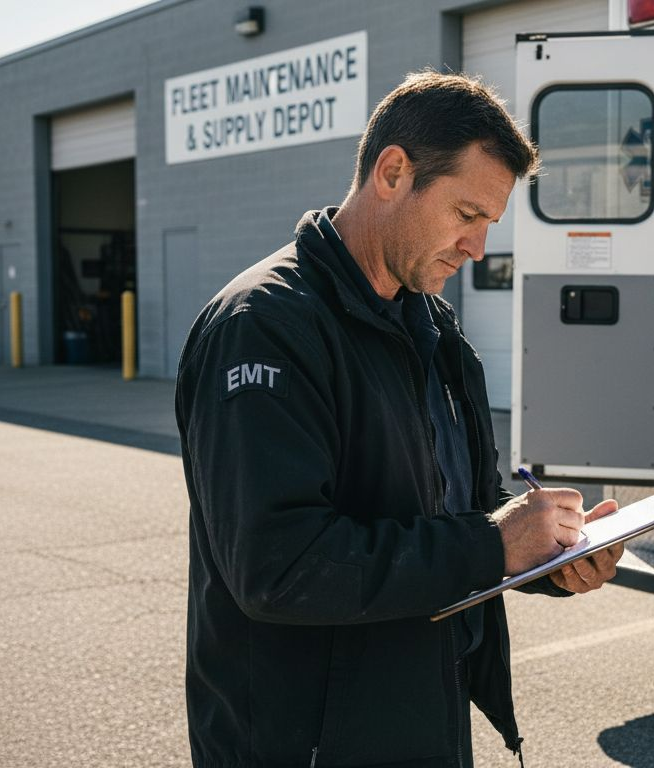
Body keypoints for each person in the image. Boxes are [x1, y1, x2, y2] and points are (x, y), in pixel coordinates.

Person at [175, 71, 624, 768]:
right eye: (466, 214)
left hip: (420, 718)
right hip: (306, 743)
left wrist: (547, 555)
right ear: (392, 173)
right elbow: (279, 566)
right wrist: (491, 545)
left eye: (489, 224)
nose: (478, 248)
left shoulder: (429, 325)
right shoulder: (263, 328)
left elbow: (453, 509)